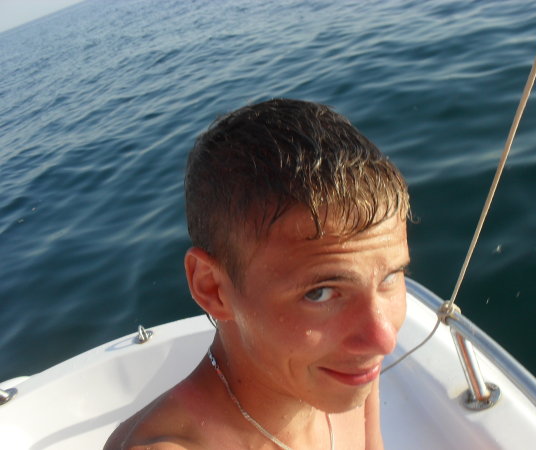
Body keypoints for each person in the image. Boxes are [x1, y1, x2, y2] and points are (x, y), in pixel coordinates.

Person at [105, 98, 410, 449]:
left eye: (389, 277)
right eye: (320, 293)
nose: (384, 340)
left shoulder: (346, 372)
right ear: (212, 288)